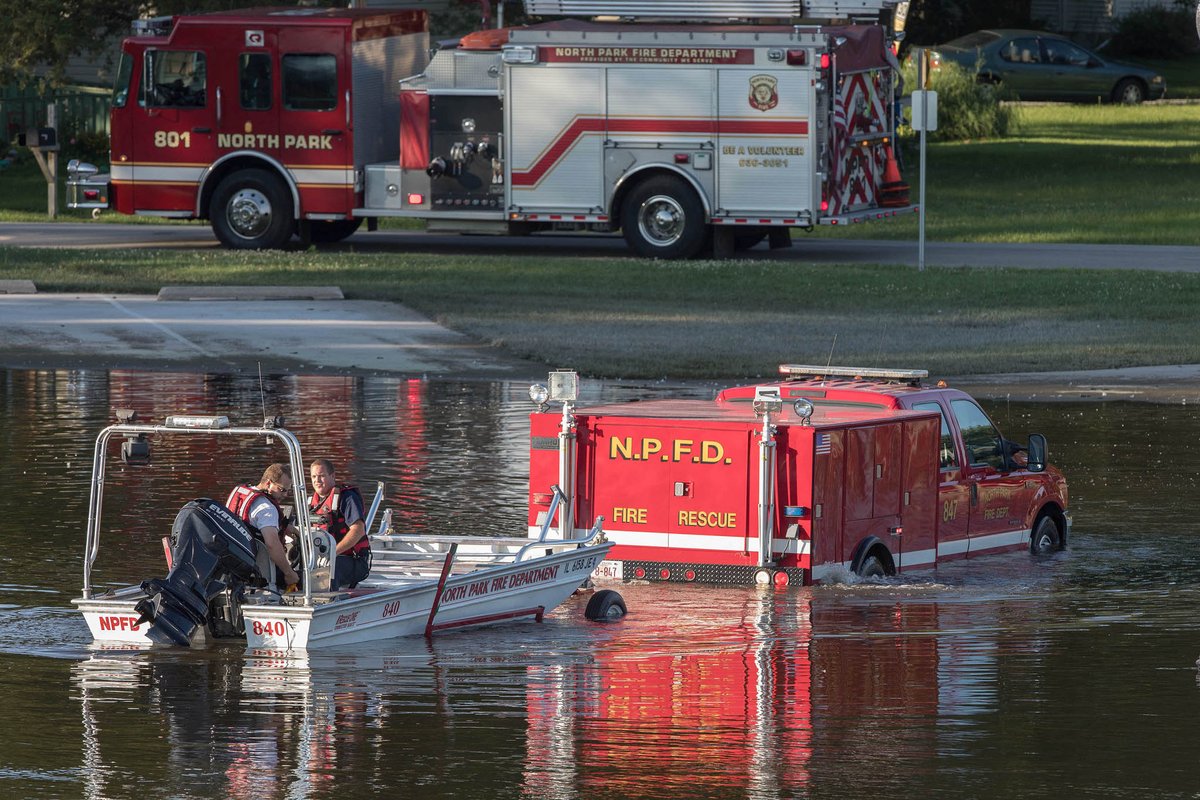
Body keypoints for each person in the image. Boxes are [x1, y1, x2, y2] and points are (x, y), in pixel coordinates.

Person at [226, 463, 301, 590]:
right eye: (282, 490)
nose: (285, 495)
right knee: (303, 578)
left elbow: (252, 523)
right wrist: (289, 573)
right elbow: (272, 544)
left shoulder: (244, 495)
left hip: (234, 567)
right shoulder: (267, 508)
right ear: (268, 483)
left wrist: (292, 530)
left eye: (288, 491)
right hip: (261, 573)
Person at [308, 458, 371, 589]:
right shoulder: (311, 503)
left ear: (333, 476)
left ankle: (328, 604)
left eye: (322, 476)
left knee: (330, 570)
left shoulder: (347, 498)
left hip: (354, 560)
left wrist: (332, 554)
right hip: (320, 558)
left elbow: (358, 530)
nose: (317, 481)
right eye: (314, 476)